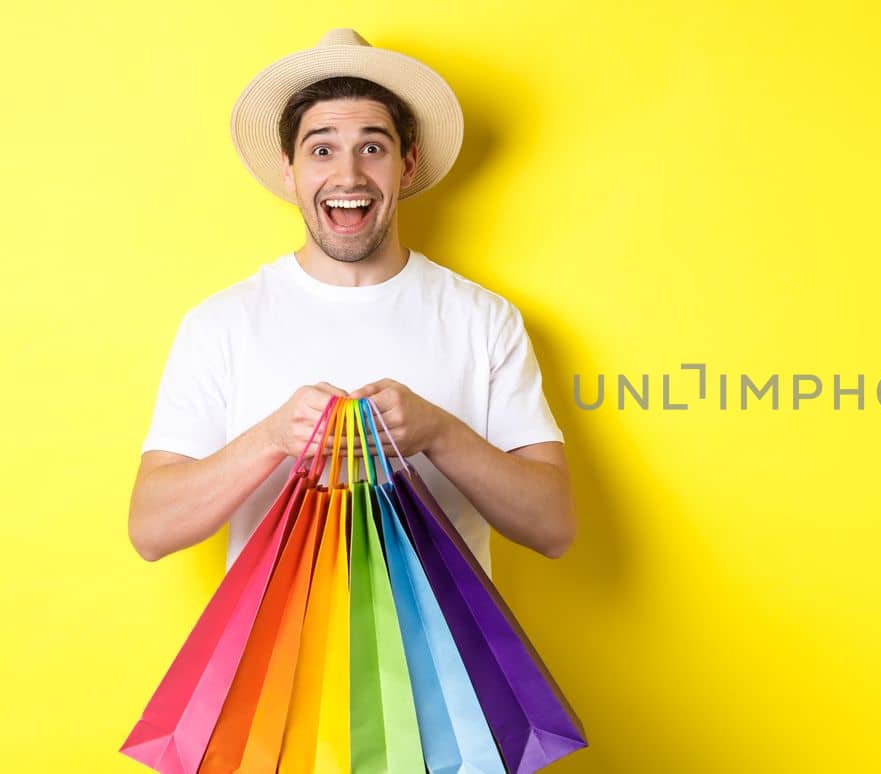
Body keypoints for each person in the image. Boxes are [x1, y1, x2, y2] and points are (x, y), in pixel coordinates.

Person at [127, 29, 575, 575]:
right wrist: (271, 437)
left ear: (406, 166)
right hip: (275, 663)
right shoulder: (220, 324)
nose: (348, 175)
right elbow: (151, 530)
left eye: (372, 147)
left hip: (442, 662)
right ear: (289, 171)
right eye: (321, 149)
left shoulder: (484, 320)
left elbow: (553, 528)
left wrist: (438, 432)